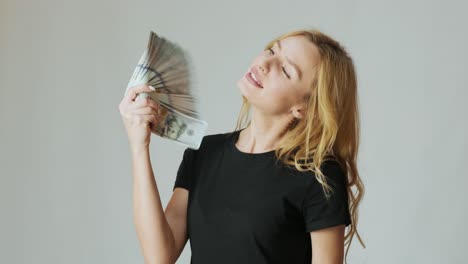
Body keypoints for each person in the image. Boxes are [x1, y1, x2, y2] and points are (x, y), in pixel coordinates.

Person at [119, 28, 366, 264]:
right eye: (271, 50)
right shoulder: (204, 153)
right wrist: (139, 146)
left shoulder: (318, 175)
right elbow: (159, 256)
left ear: (302, 108)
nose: (263, 64)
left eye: (286, 70)